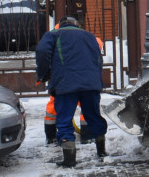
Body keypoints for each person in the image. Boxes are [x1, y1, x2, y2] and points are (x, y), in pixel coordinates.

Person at [36, 16, 107, 167]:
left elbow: (42, 52)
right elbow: (98, 58)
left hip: (65, 85)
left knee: (64, 119)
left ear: (59, 25)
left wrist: (43, 74)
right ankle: (101, 151)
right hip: (90, 84)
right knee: (94, 116)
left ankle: (69, 159)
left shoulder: (53, 35)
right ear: (76, 25)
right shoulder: (89, 36)